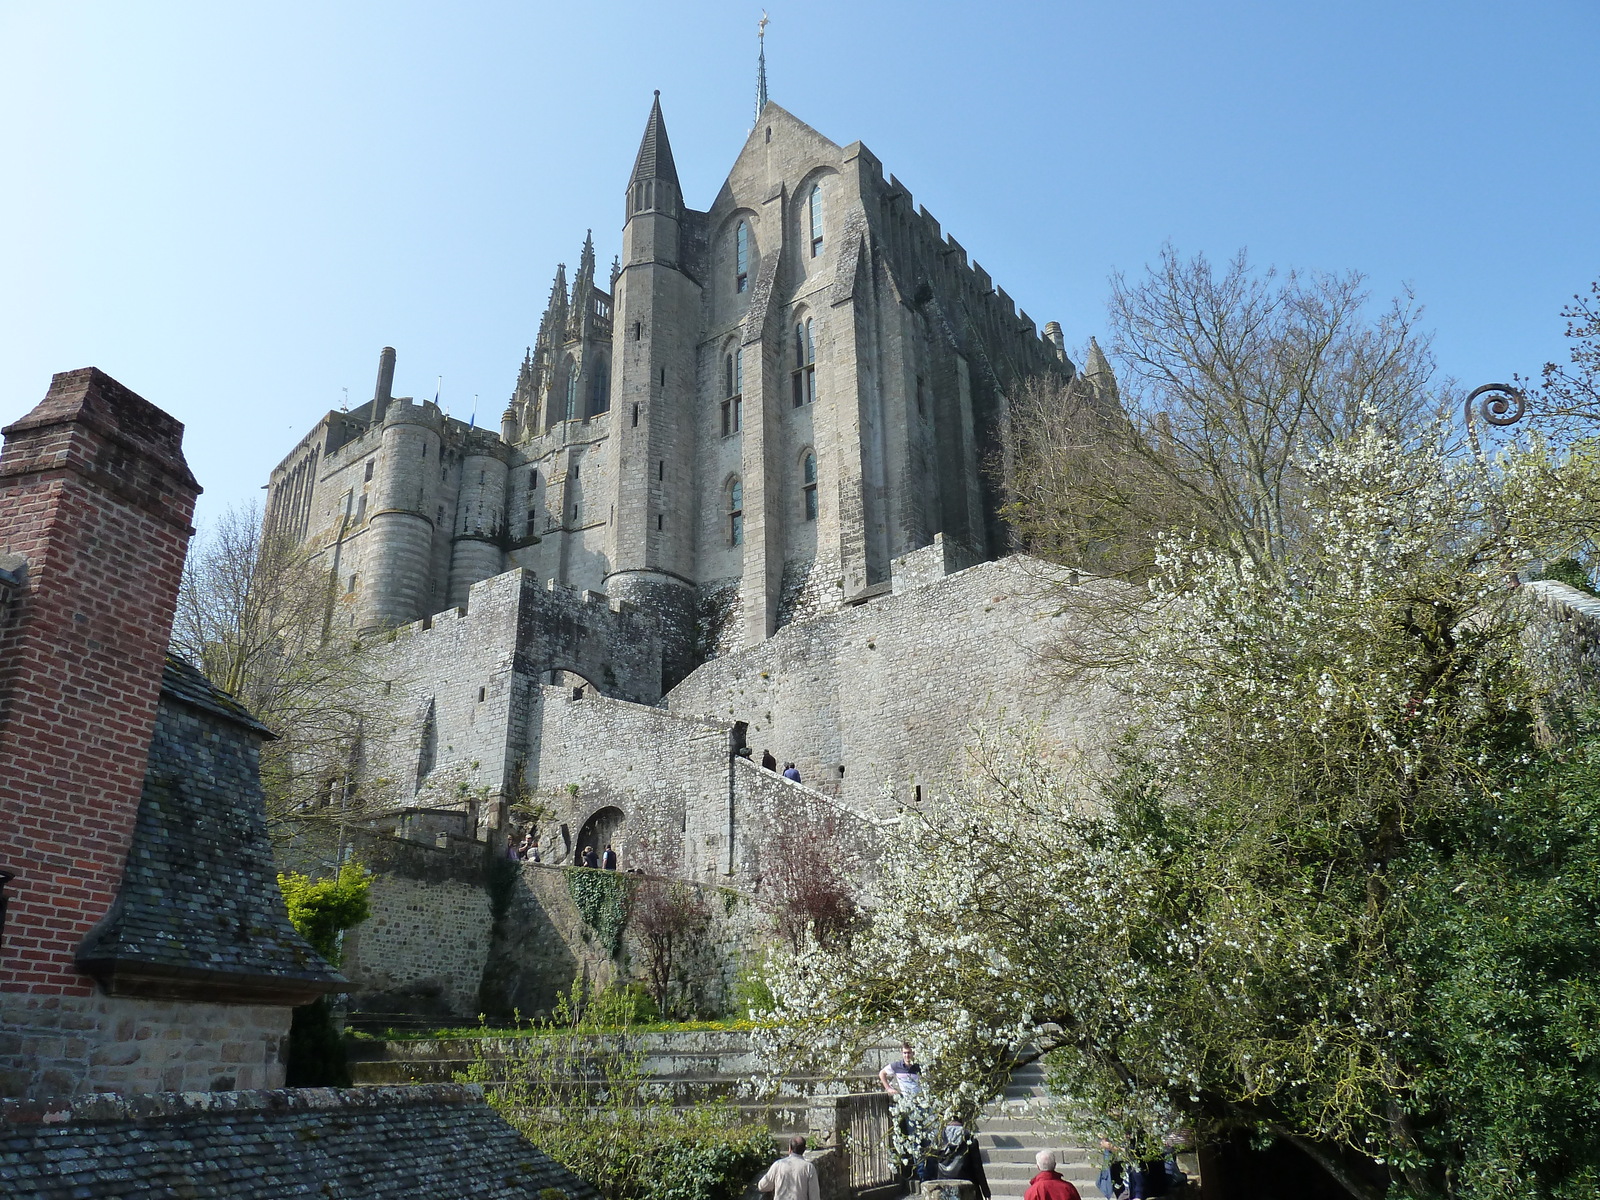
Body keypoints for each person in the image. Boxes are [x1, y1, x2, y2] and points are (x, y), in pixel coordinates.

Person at [934, 1117, 991, 1200]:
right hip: (966, 1185)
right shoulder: (970, 1140)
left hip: (944, 1183)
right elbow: (977, 1168)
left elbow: (934, 1162)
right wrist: (986, 1192)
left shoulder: (940, 1139)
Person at [757, 1135, 820, 1200]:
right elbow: (814, 1196)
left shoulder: (778, 1164)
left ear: (790, 1149)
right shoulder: (809, 1167)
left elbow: (762, 1186)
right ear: (804, 1149)